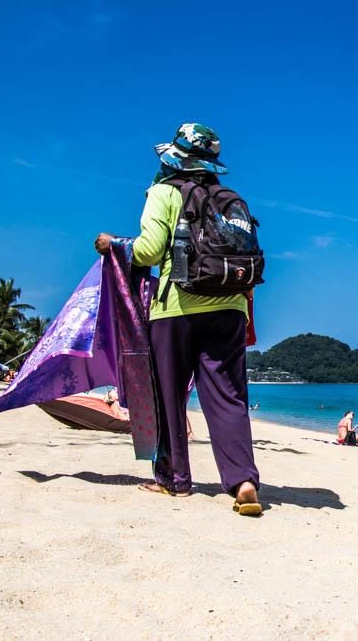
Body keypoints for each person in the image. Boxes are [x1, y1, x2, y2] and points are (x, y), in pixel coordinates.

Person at [94, 123, 261, 516]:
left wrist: (113, 244)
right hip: (230, 308)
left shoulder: (164, 192)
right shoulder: (230, 199)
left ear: (174, 159)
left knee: (168, 396)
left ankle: (175, 480)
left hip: (177, 309)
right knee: (228, 397)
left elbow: (149, 252)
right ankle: (244, 481)